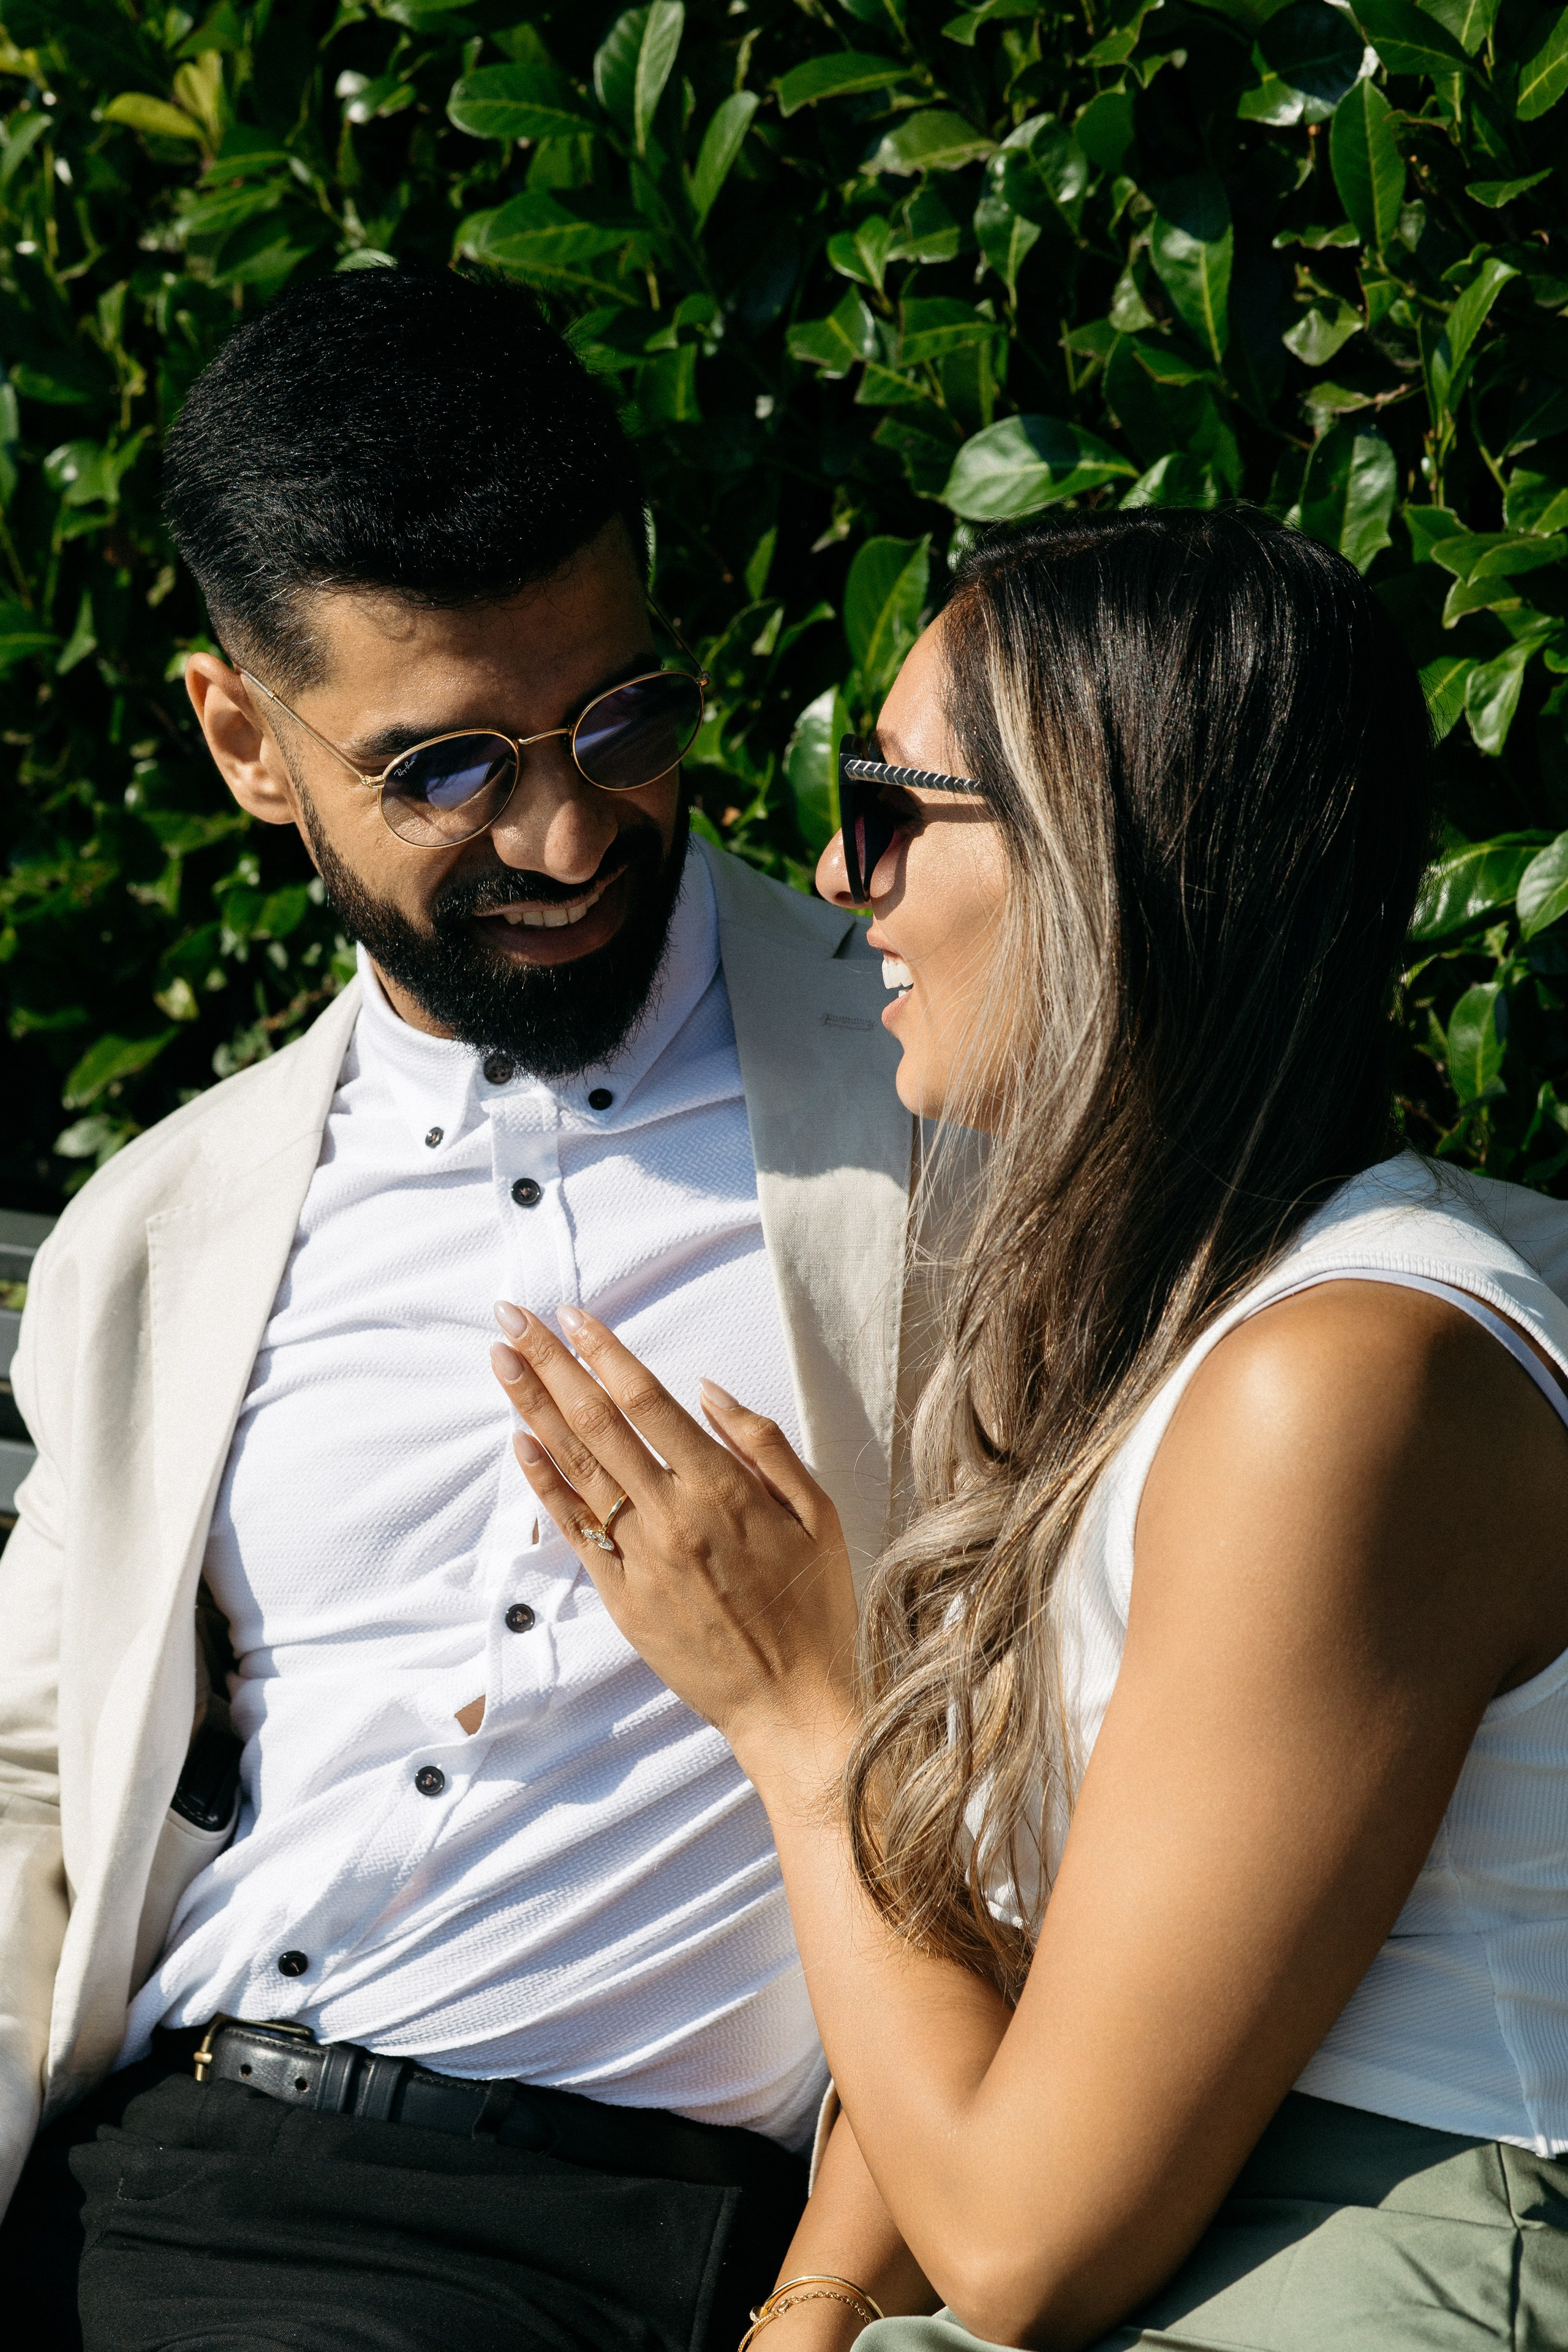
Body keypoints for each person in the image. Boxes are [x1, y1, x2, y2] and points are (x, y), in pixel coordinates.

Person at [493, 506, 1568, 2350]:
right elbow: (992, 1968)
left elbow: (1029, 2246)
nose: (839, 874)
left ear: (1107, 856)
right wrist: (816, 2301)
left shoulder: (1346, 1384)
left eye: (896, 806)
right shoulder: (1144, 1323)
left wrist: (791, 1706)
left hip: (1387, 2243)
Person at [0, 268, 927, 2352]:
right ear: (247, 742)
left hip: (638, 2227)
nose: (569, 827)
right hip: (156, 2175)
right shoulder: (162, 1232)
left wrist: (830, 2293)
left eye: (625, 719)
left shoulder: (923, 1105)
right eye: (446, 771)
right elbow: (34, 1778)